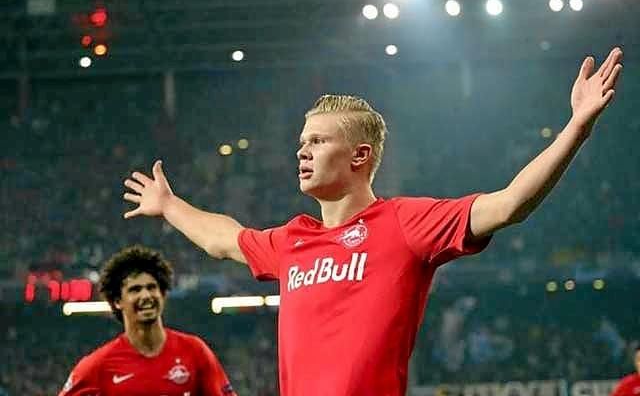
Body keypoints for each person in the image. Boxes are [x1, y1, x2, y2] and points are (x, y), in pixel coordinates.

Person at [123, 48, 623, 395]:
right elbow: (224, 239)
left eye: (318, 141)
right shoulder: (294, 240)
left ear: (360, 155)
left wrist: (576, 128)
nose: (302, 150)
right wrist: (169, 205)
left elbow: (510, 204)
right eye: (302, 142)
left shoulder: (405, 223)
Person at [58, 245, 236, 396]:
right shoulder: (98, 366)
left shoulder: (195, 351)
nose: (146, 295)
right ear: (118, 301)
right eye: (135, 290)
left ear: (162, 294)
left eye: (151, 287)